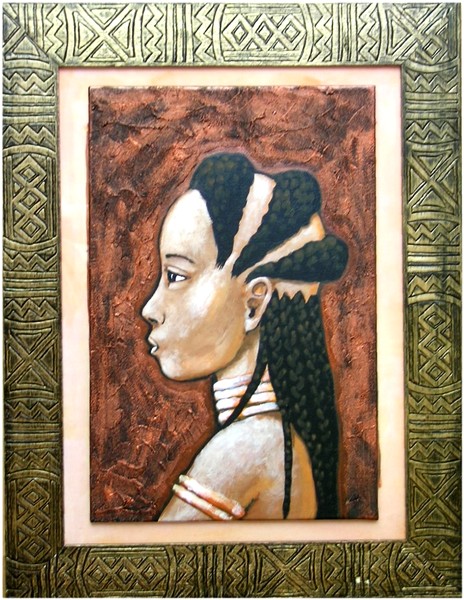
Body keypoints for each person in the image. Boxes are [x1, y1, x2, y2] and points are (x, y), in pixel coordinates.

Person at [142, 153, 348, 520]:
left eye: (175, 276)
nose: (150, 308)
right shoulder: (278, 443)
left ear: (254, 303)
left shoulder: (245, 450)